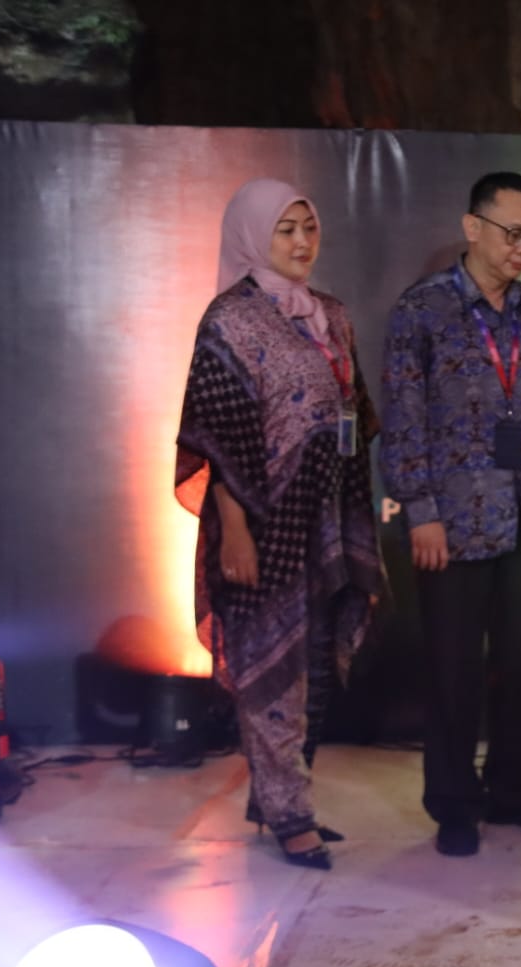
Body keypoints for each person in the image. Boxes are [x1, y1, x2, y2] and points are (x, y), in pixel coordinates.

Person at [175, 178, 383, 871]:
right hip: (263, 524)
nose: (301, 242)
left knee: (314, 668)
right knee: (274, 670)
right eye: (285, 230)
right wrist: (233, 529)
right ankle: (291, 816)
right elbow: (214, 435)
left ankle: (284, 799)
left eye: (308, 228)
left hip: (327, 518)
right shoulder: (229, 320)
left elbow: (355, 412)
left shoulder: (332, 314)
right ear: (252, 236)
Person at [380, 172, 521, 857]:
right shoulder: (422, 309)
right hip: (451, 524)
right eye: (513, 233)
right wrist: (420, 510)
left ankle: (515, 790)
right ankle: (454, 803)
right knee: (453, 671)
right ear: (473, 228)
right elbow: (402, 415)